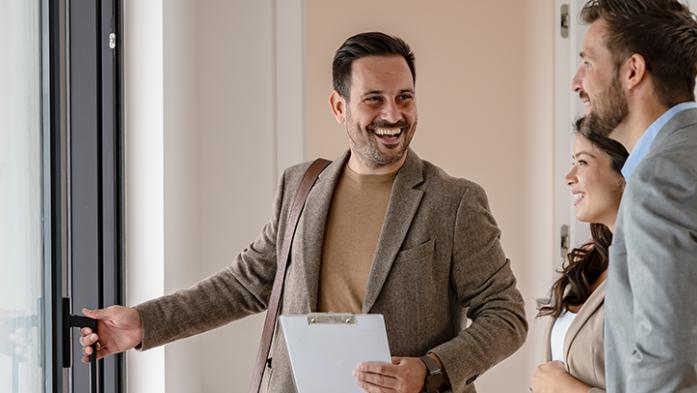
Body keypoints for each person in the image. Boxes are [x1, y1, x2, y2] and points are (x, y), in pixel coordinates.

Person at [78, 32, 527, 393]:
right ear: (339, 106)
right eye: (374, 99)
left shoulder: (454, 201)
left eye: (404, 97)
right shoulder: (301, 186)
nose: (393, 114)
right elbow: (245, 283)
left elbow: (506, 315)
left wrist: (430, 369)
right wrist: (142, 323)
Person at [573, 1, 697, 392]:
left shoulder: (659, 178)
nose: (578, 82)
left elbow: (666, 361)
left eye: (589, 64)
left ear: (632, 71)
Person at [531, 120, 628, 393]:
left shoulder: (653, 269)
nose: (569, 176)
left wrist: (566, 389)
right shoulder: (592, 260)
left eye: (583, 163)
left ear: (624, 172)